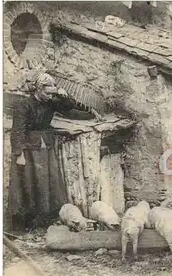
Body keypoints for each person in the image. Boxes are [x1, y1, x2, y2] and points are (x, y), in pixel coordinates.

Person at [7, 72, 102, 233]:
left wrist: (66, 98)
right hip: (29, 149)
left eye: (52, 93)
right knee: (30, 183)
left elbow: (68, 108)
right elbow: (17, 131)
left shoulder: (50, 102)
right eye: (47, 92)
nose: (50, 96)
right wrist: (19, 154)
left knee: (47, 182)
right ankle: (25, 223)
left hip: (46, 145)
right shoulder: (24, 105)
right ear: (38, 89)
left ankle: (44, 220)